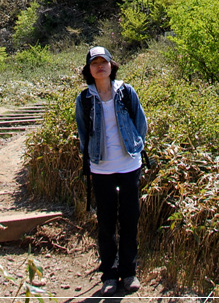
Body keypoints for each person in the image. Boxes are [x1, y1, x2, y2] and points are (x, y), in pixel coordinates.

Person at [75, 46, 148, 296]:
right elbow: (83, 133)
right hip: (101, 169)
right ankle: (109, 273)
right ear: (89, 70)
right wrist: (92, 158)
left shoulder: (125, 92)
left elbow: (141, 123)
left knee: (129, 221)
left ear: (111, 65)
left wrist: (136, 148)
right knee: (106, 223)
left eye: (103, 61)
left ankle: (128, 272)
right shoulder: (84, 99)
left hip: (129, 166)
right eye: (94, 63)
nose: (100, 66)